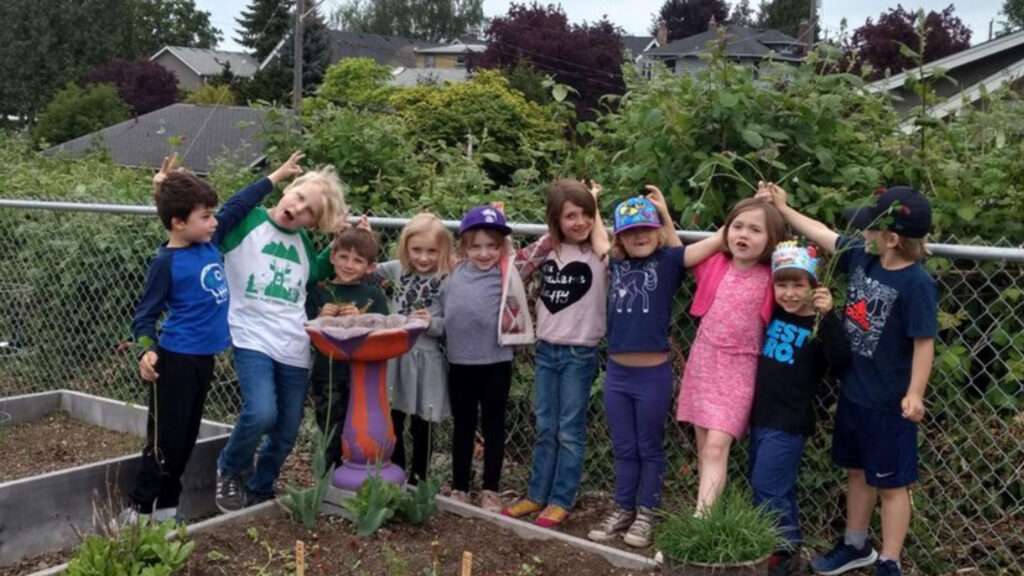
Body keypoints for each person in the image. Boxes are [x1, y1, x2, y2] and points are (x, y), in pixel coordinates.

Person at [759, 183, 937, 576]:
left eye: (870, 228)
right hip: (854, 393)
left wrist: (915, 393)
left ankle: (890, 560)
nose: (862, 235)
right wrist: (785, 210)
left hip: (889, 403)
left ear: (891, 238)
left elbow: (924, 343)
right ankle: (856, 544)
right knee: (856, 472)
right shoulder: (862, 258)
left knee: (891, 485)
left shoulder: (917, 284)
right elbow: (824, 233)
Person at [127, 152, 304, 522]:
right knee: (163, 443)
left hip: (201, 362)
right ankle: (138, 513)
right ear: (178, 224)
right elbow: (144, 317)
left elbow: (240, 203)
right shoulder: (166, 263)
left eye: (212, 215)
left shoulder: (210, 243)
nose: (213, 222)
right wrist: (146, 352)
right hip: (173, 363)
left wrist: (276, 176)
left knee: (186, 440)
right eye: (205, 217)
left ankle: (168, 514)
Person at [587, 188, 721, 548]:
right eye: (630, 232)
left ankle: (647, 512)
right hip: (616, 375)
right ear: (621, 238)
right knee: (624, 446)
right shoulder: (616, 262)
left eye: (646, 228)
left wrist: (665, 213)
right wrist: (595, 204)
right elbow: (600, 237)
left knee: (649, 446)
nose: (639, 236)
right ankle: (623, 507)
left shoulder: (667, 263)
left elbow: (698, 249)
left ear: (659, 230)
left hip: (652, 376)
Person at [215, 164, 347, 512]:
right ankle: (229, 471)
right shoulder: (248, 222)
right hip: (251, 336)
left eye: (309, 212)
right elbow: (227, 212)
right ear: (290, 189)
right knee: (261, 412)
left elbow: (315, 272)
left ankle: (261, 488)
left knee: (287, 428)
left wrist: (340, 245)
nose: (298, 209)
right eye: (299, 197)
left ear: (312, 224)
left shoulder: (301, 241)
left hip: (293, 343)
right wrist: (271, 178)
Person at [502, 179, 610, 529]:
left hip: (580, 354)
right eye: (570, 216)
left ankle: (561, 499)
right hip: (547, 350)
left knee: (569, 430)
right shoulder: (550, 250)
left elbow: (605, 241)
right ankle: (536, 494)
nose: (579, 222)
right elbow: (515, 269)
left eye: (585, 215)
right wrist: (548, 237)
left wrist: (594, 204)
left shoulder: (599, 253)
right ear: (556, 221)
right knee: (545, 426)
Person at [675, 197, 786, 513]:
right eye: (737, 226)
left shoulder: (774, 277)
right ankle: (710, 515)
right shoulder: (715, 265)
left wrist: (780, 206)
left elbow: (803, 285)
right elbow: (676, 254)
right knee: (705, 449)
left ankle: (701, 524)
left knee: (715, 447)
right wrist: (665, 217)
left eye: (755, 229)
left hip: (741, 367)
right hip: (704, 361)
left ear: (771, 239)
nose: (744, 235)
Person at [748, 240, 851, 576]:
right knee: (771, 485)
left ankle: (783, 552)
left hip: (790, 422)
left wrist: (830, 314)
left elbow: (841, 361)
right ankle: (787, 547)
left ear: (814, 286)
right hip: (761, 417)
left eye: (798, 285)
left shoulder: (819, 327)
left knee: (768, 485)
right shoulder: (775, 313)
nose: (789, 293)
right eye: (782, 284)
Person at [444, 204, 533, 512]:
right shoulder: (452, 271)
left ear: (502, 247)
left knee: (495, 425)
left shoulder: (507, 270)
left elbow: (540, 248)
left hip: (496, 362)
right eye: (476, 246)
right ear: (465, 246)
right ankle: (459, 486)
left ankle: (491, 488)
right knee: (463, 426)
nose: (484, 253)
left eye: (492, 246)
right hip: (459, 363)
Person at [375, 213, 453, 484]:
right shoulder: (397, 269)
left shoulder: (447, 279)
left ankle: (418, 480)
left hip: (428, 361)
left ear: (443, 251)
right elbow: (367, 268)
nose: (423, 258)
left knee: (424, 424)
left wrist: (432, 323)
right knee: (393, 418)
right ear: (406, 247)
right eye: (416, 249)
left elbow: (450, 325)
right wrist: (362, 234)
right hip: (396, 357)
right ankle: (394, 474)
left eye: (432, 251)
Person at [306, 227, 389, 468]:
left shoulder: (373, 294)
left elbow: (385, 331)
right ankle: (330, 478)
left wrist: (362, 318)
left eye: (358, 260)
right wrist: (321, 317)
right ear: (332, 257)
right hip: (327, 375)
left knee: (362, 427)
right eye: (343, 257)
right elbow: (306, 332)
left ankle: (362, 473)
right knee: (330, 427)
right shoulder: (318, 292)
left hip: (364, 377)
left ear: (370, 266)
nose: (349, 265)